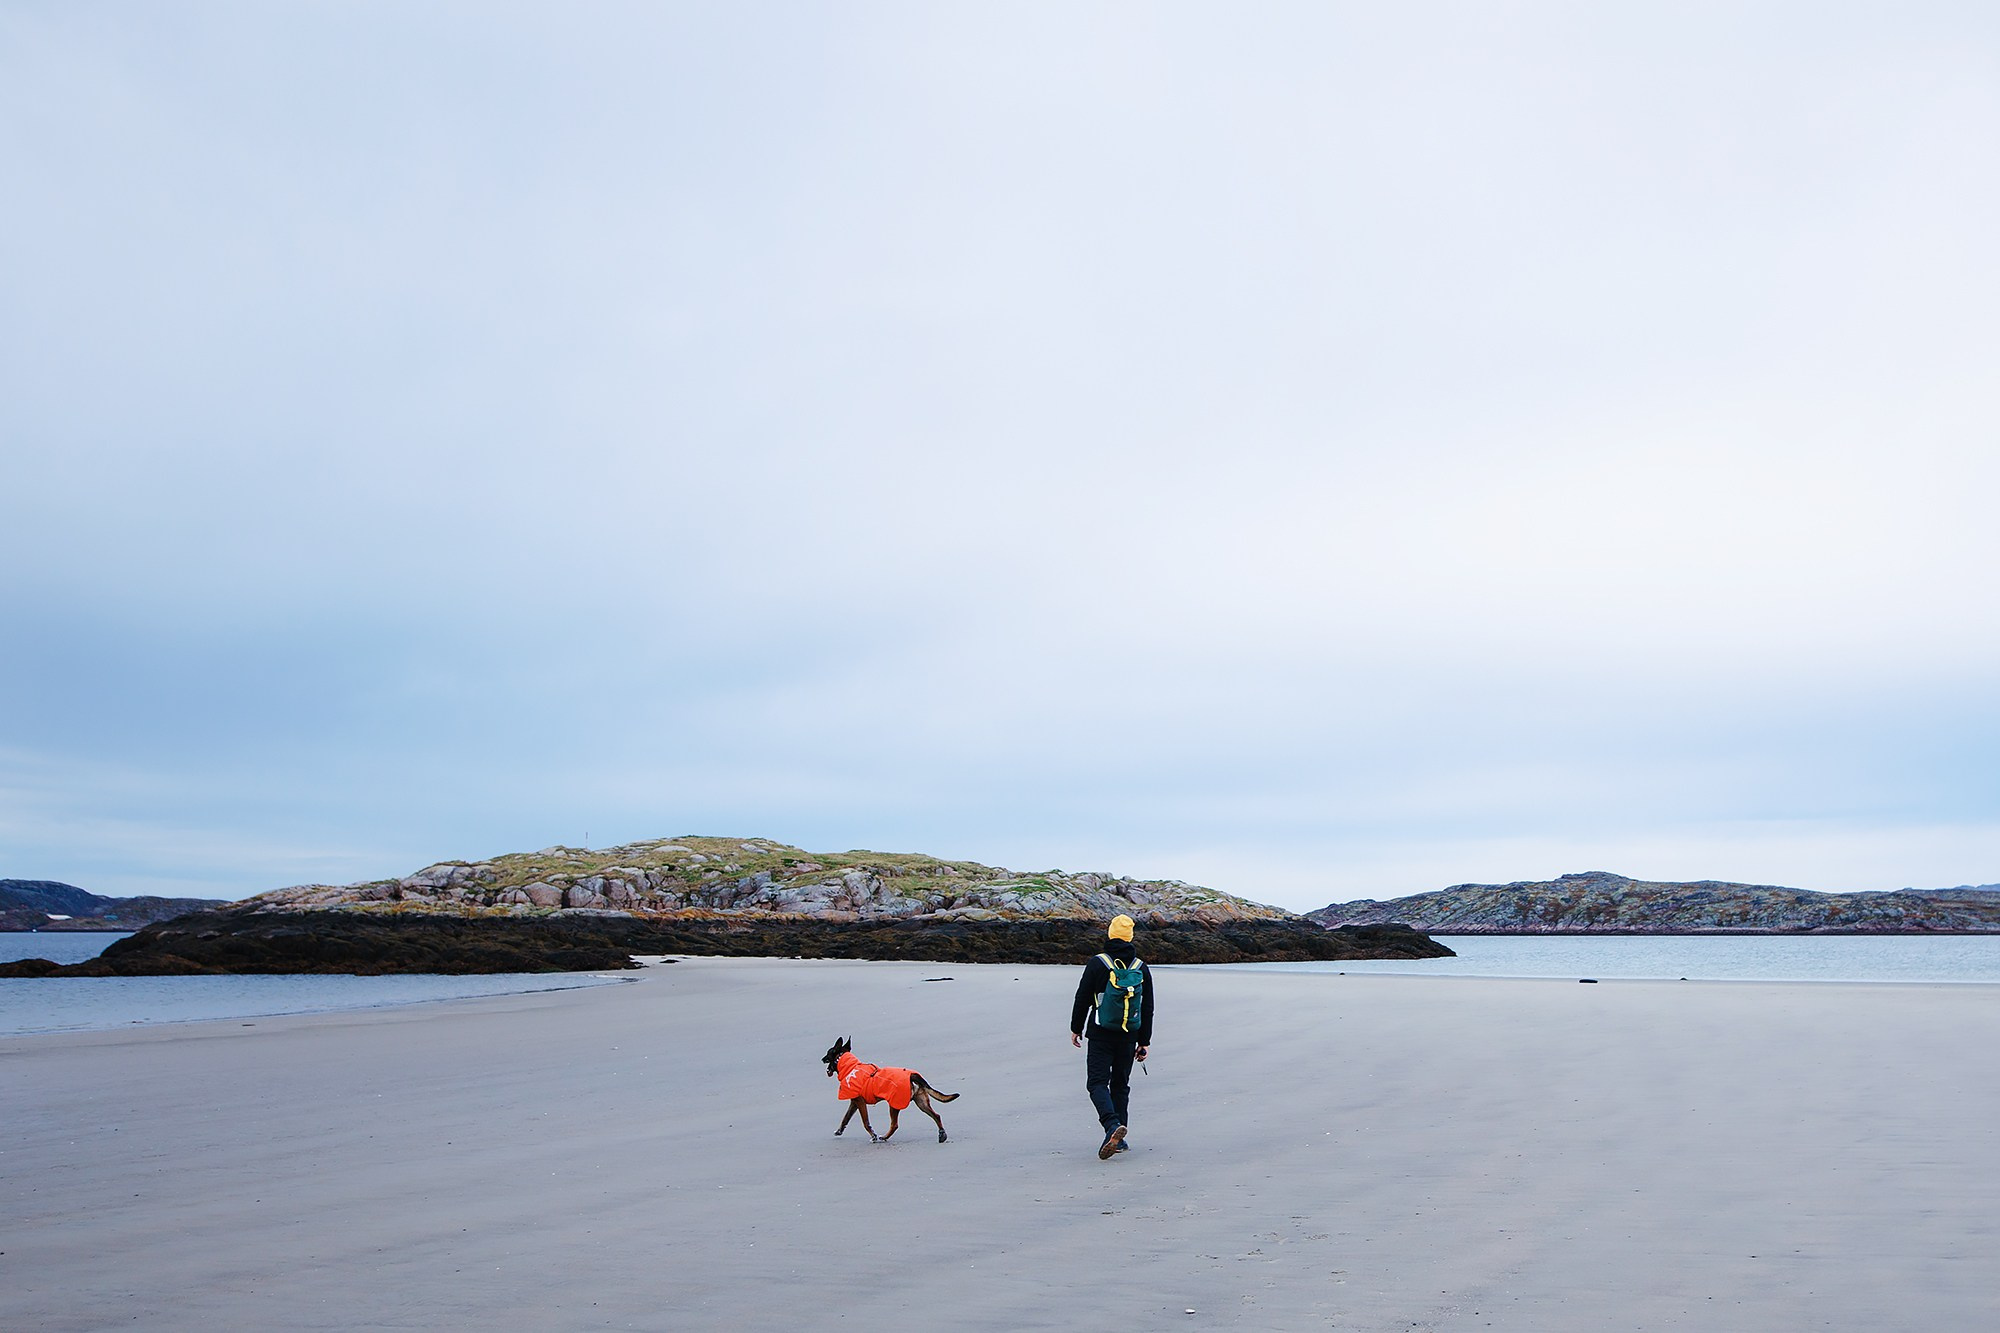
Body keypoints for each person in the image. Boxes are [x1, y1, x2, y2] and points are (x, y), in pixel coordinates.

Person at [1069, 913, 1154, 1160]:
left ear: (1109, 934)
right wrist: (1144, 1041)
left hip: (1100, 1033)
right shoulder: (1140, 967)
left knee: (1096, 1083)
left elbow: (1082, 997)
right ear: (1130, 938)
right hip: (1129, 1035)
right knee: (1120, 1084)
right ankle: (1119, 1139)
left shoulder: (1098, 963)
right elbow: (1147, 1007)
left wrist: (1076, 1028)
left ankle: (1111, 1126)